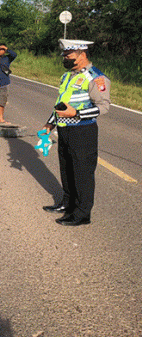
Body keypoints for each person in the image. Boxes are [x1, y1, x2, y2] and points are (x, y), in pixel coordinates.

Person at [41, 39, 111, 226]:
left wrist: (77, 113)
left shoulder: (96, 77)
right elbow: (60, 105)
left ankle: (82, 213)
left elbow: (103, 106)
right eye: (64, 54)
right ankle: (67, 203)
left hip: (83, 132)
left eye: (68, 54)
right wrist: (49, 125)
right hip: (65, 131)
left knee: (82, 173)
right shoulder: (67, 76)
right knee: (67, 170)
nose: (65, 58)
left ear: (82, 54)